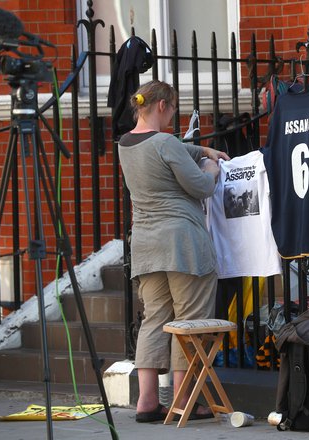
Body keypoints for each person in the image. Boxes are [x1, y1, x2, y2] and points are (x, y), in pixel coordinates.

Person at [118, 80, 229, 423]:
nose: (174, 115)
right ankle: (184, 401)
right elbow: (200, 186)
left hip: (146, 247)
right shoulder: (166, 142)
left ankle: (147, 403)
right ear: (162, 105)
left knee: (154, 321)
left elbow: (171, 152)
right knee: (190, 321)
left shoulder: (125, 143)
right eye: (174, 108)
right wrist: (211, 166)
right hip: (183, 244)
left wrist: (202, 150)